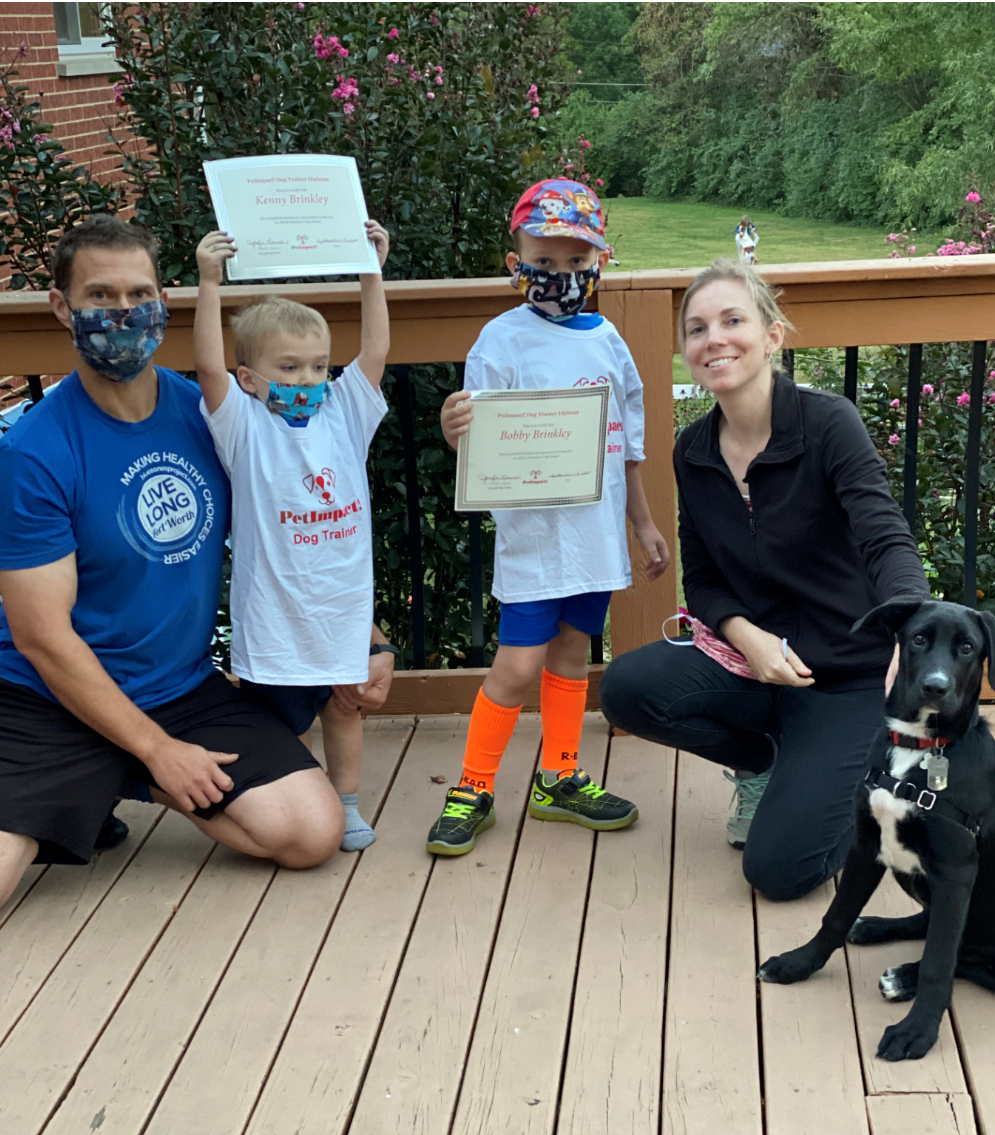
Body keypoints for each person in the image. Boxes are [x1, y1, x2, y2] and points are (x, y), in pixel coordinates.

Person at [0, 215, 366, 916]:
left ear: (164, 302)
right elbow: (43, 637)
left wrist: (367, 636)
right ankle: (120, 762)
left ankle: (116, 774)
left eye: (139, 293)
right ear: (61, 308)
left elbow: (308, 525)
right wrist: (159, 749)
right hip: (48, 696)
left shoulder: (207, 411)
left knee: (311, 832)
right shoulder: (34, 453)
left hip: (178, 687)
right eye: (100, 296)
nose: (123, 313)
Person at [598, 258, 929, 902]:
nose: (713, 338)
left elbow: (886, 536)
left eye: (732, 320)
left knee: (778, 873)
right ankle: (767, 763)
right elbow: (704, 578)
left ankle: (870, 775)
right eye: (696, 328)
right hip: (755, 668)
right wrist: (746, 638)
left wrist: (909, 630)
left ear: (772, 335)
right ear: (685, 350)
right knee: (628, 689)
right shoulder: (693, 450)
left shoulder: (827, 425)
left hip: (845, 678)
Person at [424, 177, 670, 856]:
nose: (561, 275)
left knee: (571, 652)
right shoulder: (500, 341)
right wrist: (455, 426)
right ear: (517, 264)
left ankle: (557, 776)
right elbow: (476, 436)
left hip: (592, 537)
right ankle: (473, 786)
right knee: (517, 661)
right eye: (546, 260)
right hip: (534, 540)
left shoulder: (610, 343)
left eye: (576, 263)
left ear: (600, 264)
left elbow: (627, 447)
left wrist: (642, 524)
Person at [194, 221, 396, 852]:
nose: (307, 378)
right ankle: (298, 794)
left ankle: (347, 801)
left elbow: (377, 350)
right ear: (249, 377)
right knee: (285, 722)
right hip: (275, 616)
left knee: (345, 708)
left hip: (339, 608)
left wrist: (371, 271)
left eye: (316, 365)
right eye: (288, 366)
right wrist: (207, 283)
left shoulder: (343, 411)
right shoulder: (243, 425)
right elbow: (204, 364)